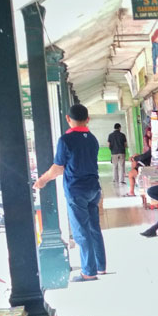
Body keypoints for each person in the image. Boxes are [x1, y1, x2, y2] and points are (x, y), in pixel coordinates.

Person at [34, 104, 106, 282]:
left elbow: (58, 168)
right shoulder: (93, 139)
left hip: (76, 190)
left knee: (81, 231)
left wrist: (42, 180)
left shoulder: (65, 140)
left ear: (68, 119)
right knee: (94, 228)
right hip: (93, 188)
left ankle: (88, 272)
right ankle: (100, 266)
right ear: (87, 119)